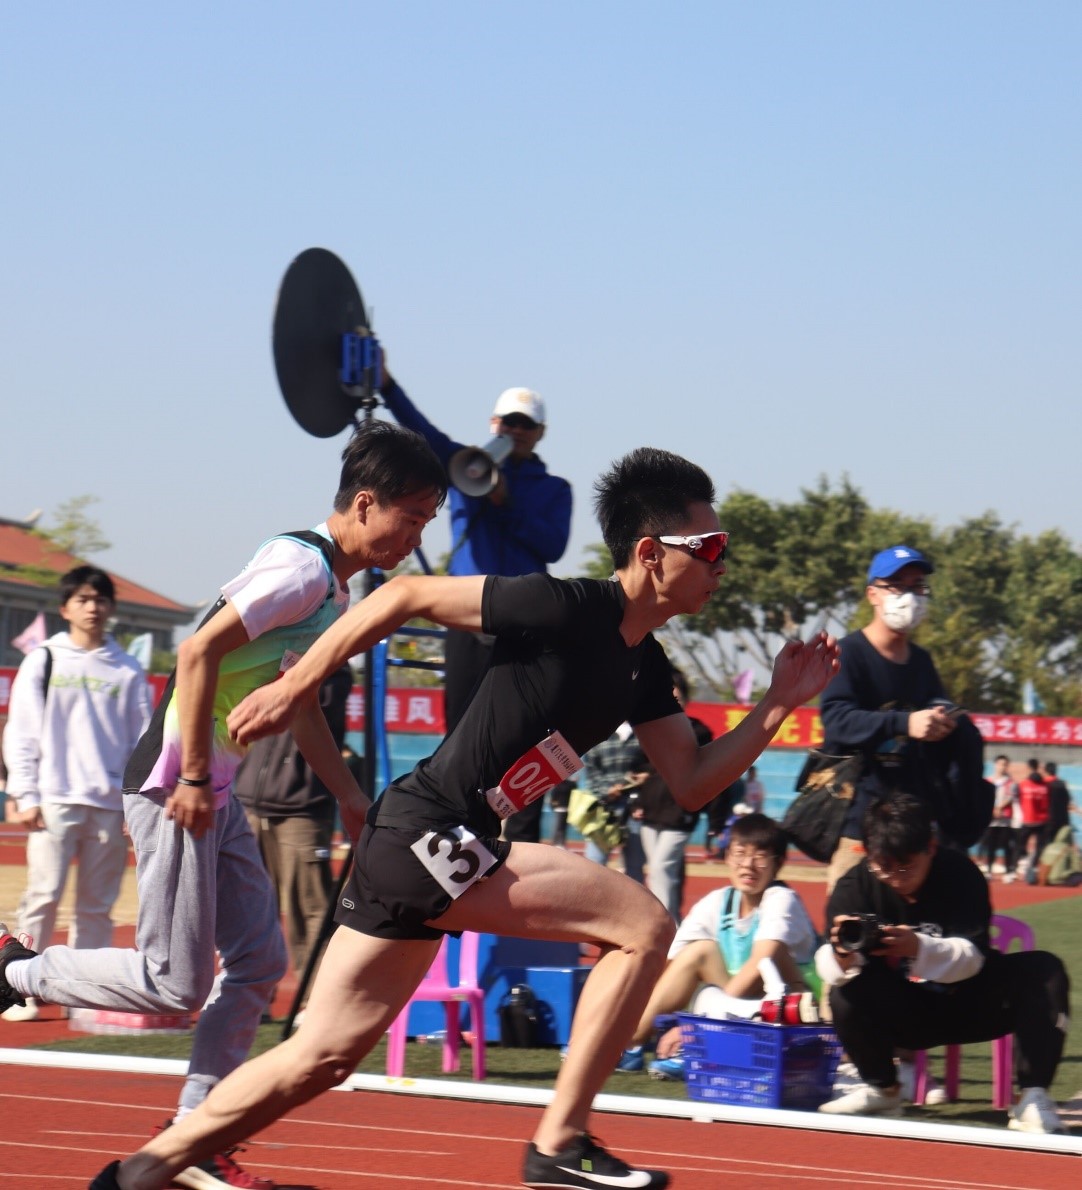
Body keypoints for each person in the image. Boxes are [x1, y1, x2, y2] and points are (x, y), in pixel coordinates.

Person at [82, 445, 841, 1190]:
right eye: (710, 548)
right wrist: (295, 684)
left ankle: (142, 1171)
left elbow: (693, 781)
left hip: (422, 844)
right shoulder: (567, 606)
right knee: (643, 925)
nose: (721, 565)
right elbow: (402, 596)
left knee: (322, 1056)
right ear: (650, 553)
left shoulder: (645, 666)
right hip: (431, 832)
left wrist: (777, 705)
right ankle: (559, 1143)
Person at [0, 420, 447, 1190]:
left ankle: (194, 1137)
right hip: (176, 782)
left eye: (428, 523)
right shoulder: (300, 569)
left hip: (214, 788)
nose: (415, 538)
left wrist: (348, 797)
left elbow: (297, 702)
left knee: (258, 963)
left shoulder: (333, 588)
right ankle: (16, 970)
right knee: (173, 982)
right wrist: (194, 777)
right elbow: (197, 649)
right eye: (411, 518)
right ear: (365, 504)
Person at [817, 793, 1069, 1133]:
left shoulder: (960, 873)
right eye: (883, 867)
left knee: (1045, 969)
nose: (896, 877)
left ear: (930, 848)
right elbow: (830, 967)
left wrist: (918, 947)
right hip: (904, 1012)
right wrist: (840, 956)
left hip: (973, 1003)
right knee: (844, 992)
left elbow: (973, 959)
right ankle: (883, 1088)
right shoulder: (856, 886)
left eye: (906, 866)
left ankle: (1032, 1096)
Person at [378, 367, 572, 731]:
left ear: (540, 432)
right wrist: (387, 386)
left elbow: (553, 546)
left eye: (526, 424)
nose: (516, 431)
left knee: (521, 725)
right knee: (461, 723)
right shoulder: (463, 464)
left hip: (523, 616)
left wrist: (506, 504)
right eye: (509, 422)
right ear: (494, 423)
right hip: (467, 610)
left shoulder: (555, 489)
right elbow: (421, 431)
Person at [1, 566, 152, 1022]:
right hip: (54, 800)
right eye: (83, 599)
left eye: (100, 599)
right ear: (65, 608)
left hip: (108, 803)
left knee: (96, 907)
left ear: (111, 608)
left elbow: (143, 741)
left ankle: (81, 996)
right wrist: (24, 793)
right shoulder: (45, 659)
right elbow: (22, 732)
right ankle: (18, 986)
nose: (92, 607)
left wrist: (137, 805)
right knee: (43, 896)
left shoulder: (127, 668)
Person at [614, 812, 819, 1080]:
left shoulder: (782, 899)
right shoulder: (718, 901)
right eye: (740, 854)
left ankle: (696, 1044)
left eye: (760, 856)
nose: (748, 865)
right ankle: (628, 1042)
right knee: (700, 952)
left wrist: (696, 1029)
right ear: (727, 857)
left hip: (789, 1020)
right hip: (739, 1012)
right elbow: (671, 965)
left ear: (778, 863)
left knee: (770, 955)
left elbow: (760, 965)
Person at [817, 544, 962, 891]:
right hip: (858, 826)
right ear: (873, 594)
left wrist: (945, 719)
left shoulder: (922, 661)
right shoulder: (848, 653)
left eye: (917, 586)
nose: (909, 596)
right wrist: (905, 723)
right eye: (896, 586)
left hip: (912, 827)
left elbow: (937, 706)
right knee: (850, 918)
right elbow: (837, 720)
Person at [233, 665, 354, 996]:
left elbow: (302, 701)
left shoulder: (332, 669)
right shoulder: (265, 659)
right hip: (250, 805)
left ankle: (318, 1001)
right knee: (249, 910)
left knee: (312, 912)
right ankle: (250, 997)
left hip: (303, 810)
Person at [637, 665, 713, 920]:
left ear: (686, 697)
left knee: (661, 868)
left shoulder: (699, 732)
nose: (672, 697)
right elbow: (638, 767)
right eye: (667, 693)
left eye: (677, 693)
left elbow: (709, 772)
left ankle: (666, 927)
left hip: (680, 814)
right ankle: (671, 922)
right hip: (650, 813)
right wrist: (636, 802)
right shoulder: (650, 729)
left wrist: (713, 817)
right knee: (660, 871)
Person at [578, 723, 648, 874]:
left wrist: (644, 778)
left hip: (635, 809)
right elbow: (591, 773)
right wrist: (606, 791)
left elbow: (652, 768)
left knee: (635, 866)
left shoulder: (644, 733)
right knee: (594, 865)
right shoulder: (599, 733)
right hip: (604, 809)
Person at [980, 753, 1019, 882]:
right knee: (990, 846)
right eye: (1000, 764)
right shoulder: (988, 781)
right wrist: (992, 809)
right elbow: (983, 798)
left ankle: (1008, 872)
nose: (1002, 767)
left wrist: (998, 808)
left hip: (1005, 819)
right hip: (991, 819)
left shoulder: (1010, 782)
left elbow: (1010, 797)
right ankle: (989, 870)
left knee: (1006, 845)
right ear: (995, 765)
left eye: (1005, 764)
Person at [1016, 758, 1049, 881]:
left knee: (1020, 844)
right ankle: (1034, 866)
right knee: (1040, 846)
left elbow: (1017, 800)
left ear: (1028, 767)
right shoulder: (1045, 785)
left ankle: (1023, 864)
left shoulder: (1023, 784)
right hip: (1042, 820)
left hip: (1027, 820)